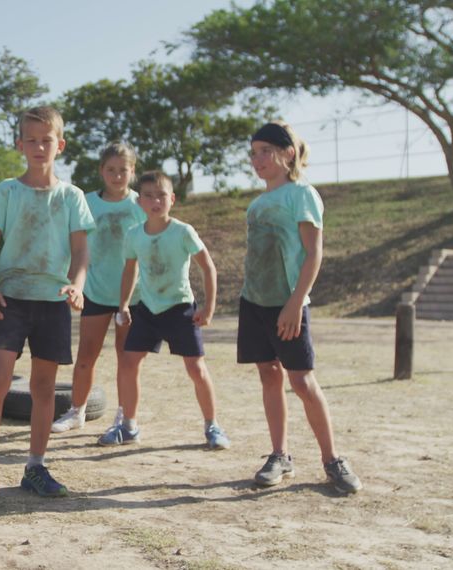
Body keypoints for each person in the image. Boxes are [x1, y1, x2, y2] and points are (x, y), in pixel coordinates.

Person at [0, 106, 95, 509]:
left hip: (53, 301)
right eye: (31, 140)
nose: (39, 147)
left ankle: (36, 465)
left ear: (60, 145)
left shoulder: (72, 196)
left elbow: (81, 249)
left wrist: (77, 285)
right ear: (20, 145)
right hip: (11, 296)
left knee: (44, 387)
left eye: (46, 140)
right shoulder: (7, 191)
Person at [241, 121, 362, 494]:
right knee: (268, 375)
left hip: (287, 302)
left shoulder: (302, 194)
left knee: (302, 381)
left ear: (287, 152)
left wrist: (295, 303)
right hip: (254, 301)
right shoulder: (257, 202)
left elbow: (314, 253)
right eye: (254, 152)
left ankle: (332, 460)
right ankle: (280, 455)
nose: (258, 159)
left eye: (266, 151)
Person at [105, 170, 230, 450]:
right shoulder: (134, 235)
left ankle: (213, 426)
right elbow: (130, 270)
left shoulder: (182, 231)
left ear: (172, 199)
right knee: (128, 363)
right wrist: (123, 305)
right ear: (139, 202)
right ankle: (129, 426)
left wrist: (209, 307)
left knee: (195, 368)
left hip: (180, 308)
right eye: (148, 196)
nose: (155, 201)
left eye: (161, 195)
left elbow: (207, 266)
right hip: (147, 309)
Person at [52, 142, 145, 434]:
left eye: (123, 170)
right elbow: (74, 245)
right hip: (94, 291)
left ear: (132, 172)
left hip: (130, 297)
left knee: (126, 360)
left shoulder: (140, 204)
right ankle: (77, 411)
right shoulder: (87, 201)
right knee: (86, 356)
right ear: (101, 171)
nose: (117, 176)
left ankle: (125, 416)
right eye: (111, 170)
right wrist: (70, 283)